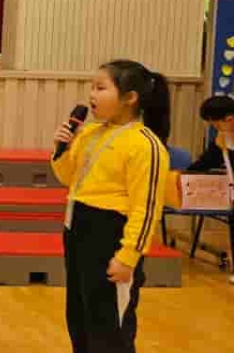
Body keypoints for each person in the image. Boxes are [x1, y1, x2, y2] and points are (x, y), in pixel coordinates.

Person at [52, 60, 171, 353]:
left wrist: (128, 257)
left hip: (111, 238)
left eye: (101, 88)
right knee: (80, 318)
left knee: (109, 327)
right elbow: (69, 178)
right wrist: (62, 149)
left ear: (130, 97)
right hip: (77, 231)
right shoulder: (90, 133)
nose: (92, 94)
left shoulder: (145, 145)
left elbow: (146, 209)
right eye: (92, 87)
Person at [186, 95, 234, 284]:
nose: (215, 128)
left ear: (229, 119)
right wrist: (183, 174)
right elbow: (207, 161)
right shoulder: (223, 138)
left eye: (215, 124)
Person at [186, 95, 234, 172]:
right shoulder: (217, 145)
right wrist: (218, 148)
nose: (218, 130)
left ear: (229, 119)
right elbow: (196, 169)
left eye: (218, 126)